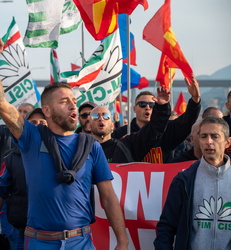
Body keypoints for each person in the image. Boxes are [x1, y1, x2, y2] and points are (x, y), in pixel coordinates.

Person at [0, 37, 128, 249]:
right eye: (64, 101)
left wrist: (122, 241)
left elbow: (108, 197)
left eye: (74, 101)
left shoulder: (91, 145)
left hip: (81, 242)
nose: (73, 106)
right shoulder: (31, 137)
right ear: (46, 111)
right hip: (39, 242)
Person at [154, 117, 231, 249]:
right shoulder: (184, 180)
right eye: (203, 136)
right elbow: (166, 227)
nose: (209, 142)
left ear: (227, 142)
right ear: (197, 141)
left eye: (215, 136)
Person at [0, 108, 47, 250]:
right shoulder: (11, 158)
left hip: (51, 234)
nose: (38, 125)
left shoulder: (62, 153)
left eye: (42, 121)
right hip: (20, 231)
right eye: (33, 122)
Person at [112, 77, 201, 163]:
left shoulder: (167, 129)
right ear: (134, 108)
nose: (147, 107)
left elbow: (186, 122)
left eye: (152, 105)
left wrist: (195, 100)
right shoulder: (120, 133)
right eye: (142, 104)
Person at [89, 86, 171, 163]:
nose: (101, 119)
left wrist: (162, 108)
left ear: (112, 125)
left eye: (106, 116)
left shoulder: (126, 144)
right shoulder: (82, 149)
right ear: (89, 124)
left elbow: (154, 130)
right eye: (95, 116)